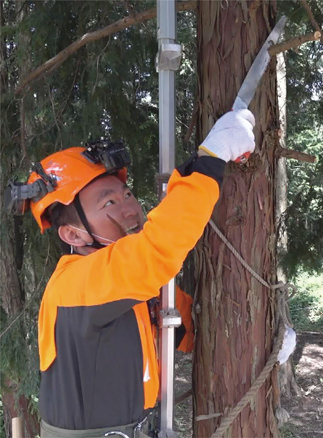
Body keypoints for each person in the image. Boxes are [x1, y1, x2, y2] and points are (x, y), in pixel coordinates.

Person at [21, 109, 255, 438]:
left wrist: (263, 340)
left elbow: (189, 328)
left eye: (126, 195)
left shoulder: (122, 287)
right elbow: (158, 248)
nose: (131, 208)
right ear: (74, 235)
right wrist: (210, 161)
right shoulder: (74, 286)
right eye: (108, 204)